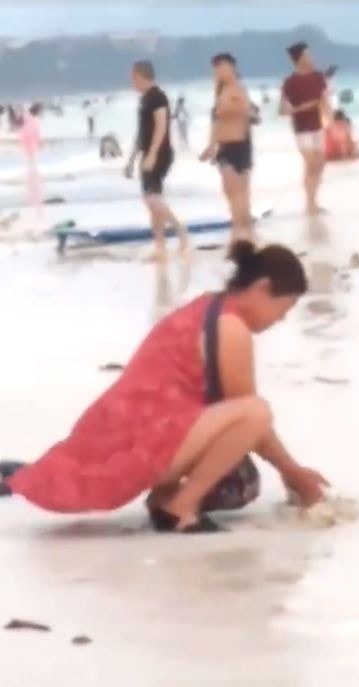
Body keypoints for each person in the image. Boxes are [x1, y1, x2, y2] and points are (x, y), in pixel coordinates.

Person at [5, 242, 327, 533]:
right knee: (256, 413)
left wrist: (290, 471)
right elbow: (251, 420)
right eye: (283, 310)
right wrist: (293, 473)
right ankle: (180, 508)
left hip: (130, 437)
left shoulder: (208, 306)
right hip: (141, 447)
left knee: (241, 477)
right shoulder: (231, 328)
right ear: (262, 288)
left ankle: (164, 498)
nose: (279, 320)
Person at [124, 60, 187, 263]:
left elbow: (161, 127)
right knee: (153, 202)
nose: (131, 82)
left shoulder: (158, 97)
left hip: (160, 153)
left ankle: (180, 231)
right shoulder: (144, 99)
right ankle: (161, 247)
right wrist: (131, 159)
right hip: (148, 152)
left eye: (133, 77)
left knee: (151, 198)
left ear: (141, 76)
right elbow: (142, 132)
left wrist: (152, 154)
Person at [200, 53, 253, 242]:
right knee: (229, 190)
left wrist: (227, 110)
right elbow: (216, 122)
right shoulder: (220, 91)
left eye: (221, 67)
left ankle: (243, 231)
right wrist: (211, 145)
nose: (218, 71)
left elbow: (246, 112)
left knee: (239, 191)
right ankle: (239, 228)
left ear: (231, 68)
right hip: (223, 146)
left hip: (239, 143)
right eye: (215, 68)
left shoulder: (239, 89)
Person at [280, 42, 332, 214]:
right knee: (310, 163)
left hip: (317, 126)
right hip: (301, 129)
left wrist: (332, 121)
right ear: (300, 58)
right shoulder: (290, 82)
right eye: (308, 55)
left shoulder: (318, 77)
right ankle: (310, 203)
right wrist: (300, 108)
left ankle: (313, 200)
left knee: (320, 163)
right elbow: (282, 110)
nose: (311, 58)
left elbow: (325, 102)